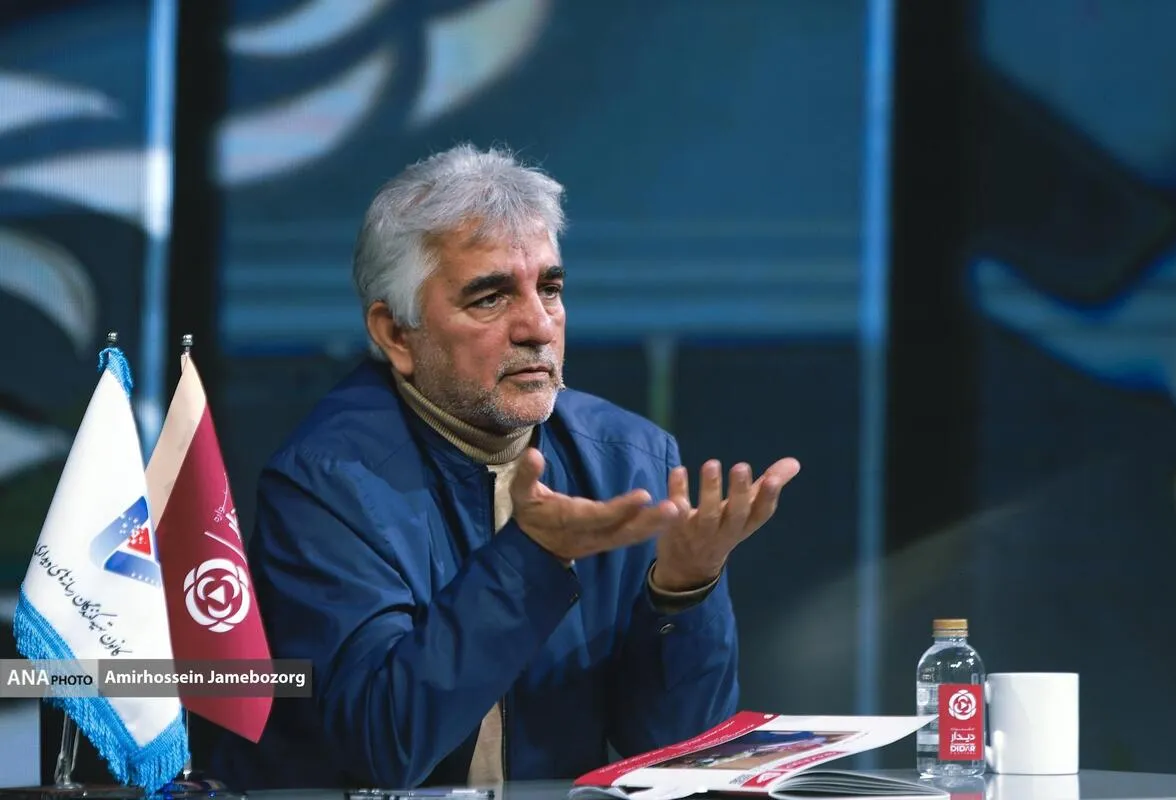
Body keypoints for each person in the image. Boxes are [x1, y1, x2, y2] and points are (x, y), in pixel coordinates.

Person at [209, 144, 801, 790]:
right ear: (396, 334)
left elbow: (676, 757)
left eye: (550, 289)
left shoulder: (630, 460)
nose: (538, 327)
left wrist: (683, 593)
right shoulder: (327, 482)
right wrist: (532, 556)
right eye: (490, 299)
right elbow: (384, 743)